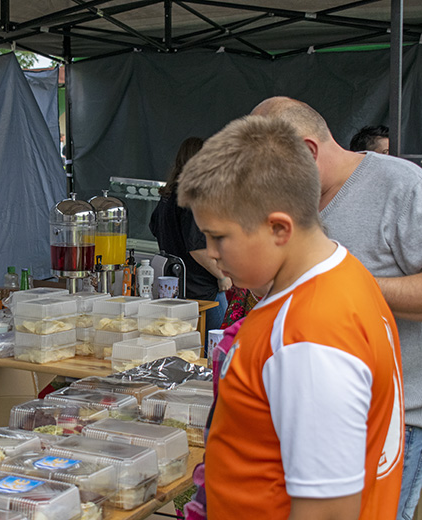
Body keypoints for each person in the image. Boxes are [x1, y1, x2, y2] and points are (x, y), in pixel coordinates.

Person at [178, 115, 404, 519]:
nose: (211, 252)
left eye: (219, 237)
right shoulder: (344, 271)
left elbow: (329, 511)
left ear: (279, 228)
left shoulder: (309, 336)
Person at [252, 96, 422, 520]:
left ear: (308, 151)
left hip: (389, 420)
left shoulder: (402, 185)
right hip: (303, 407)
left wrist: (343, 284)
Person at [149, 137, 231, 332]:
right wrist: (222, 277)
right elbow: (198, 248)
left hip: (176, 288)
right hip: (204, 291)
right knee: (215, 347)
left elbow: (154, 228)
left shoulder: (168, 196)